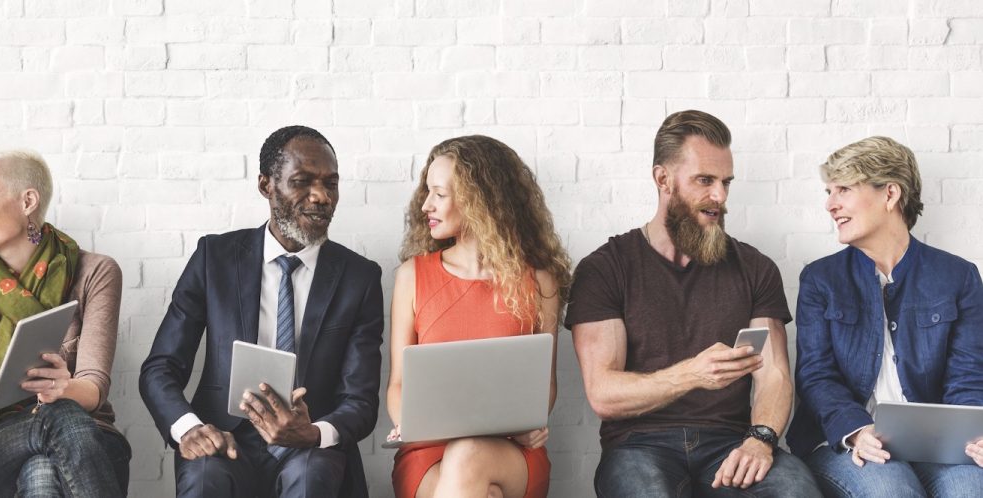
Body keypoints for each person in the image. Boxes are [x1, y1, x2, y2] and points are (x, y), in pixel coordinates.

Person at [568, 110, 820, 497]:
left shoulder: (755, 268)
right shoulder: (606, 268)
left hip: (730, 443)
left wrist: (761, 439)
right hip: (638, 447)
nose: (719, 196)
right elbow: (603, 393)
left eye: (725, 182)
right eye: (705, 180)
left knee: (796, 491)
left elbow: (774, 376)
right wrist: (692, 374)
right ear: (663, 179)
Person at [139, 125, 384, 498]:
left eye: (331, 184)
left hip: (308, 444)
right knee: (205, 481)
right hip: (224, 436)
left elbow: (361, 400)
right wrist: (189, 428)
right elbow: (160, 368)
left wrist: (316, 433)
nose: (321, 196)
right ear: (266, 185)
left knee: (310, 480)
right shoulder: (214, 258)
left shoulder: (359, 278)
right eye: (302, 181)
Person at [789, 136, 983, 497]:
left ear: (890, 194)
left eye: (843, 189)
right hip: (845, 442)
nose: (831, 204)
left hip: (936, 447)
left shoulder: (959, 276)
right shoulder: (820, 279)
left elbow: (968, 375)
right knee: (894, 491)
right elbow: (816, 376)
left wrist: (973, 435)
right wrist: (857, 430)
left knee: (972, 490)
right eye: (829, 192)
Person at [384, 135, 572, 498]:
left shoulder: (540, 282)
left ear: (478, 200)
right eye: (427, 192)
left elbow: (544, 386)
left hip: (511, 449)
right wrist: (407, 422)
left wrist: (526, 425)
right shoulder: (412, 275)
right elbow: (397, 384)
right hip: (428, 452)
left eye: (439, 194)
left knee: (470, 456)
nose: (426, 205)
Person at [0, 150, 131, 497]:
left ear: (27, 201)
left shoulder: (96, 273)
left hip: (91, 436)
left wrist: (64, 389)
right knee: (57, 419)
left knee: (42, 470)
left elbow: (93, 388)